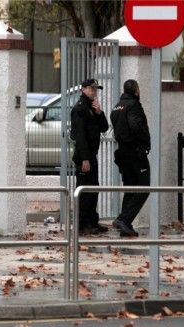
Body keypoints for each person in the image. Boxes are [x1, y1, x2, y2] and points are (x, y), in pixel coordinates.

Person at [110, 79, 150, 237]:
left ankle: (124, 225)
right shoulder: (133, 105)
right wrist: (145, 141)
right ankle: (124, 220)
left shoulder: (117, 106)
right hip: (135, 152)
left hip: (123, 153)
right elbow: (135, 126)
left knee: (130, 187)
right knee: (145, 187)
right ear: (135, 90)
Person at [71, 78, 109, 234]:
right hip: (83, 157)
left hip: (91, 155)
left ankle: (92, 221)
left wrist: (99, 113)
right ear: (83, 89)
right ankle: (82, 224)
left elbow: (104, 127)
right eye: (91, 89)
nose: (94, 92)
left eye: (95, 89)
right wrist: (85, 159)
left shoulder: (92, 107)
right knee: (85, 191)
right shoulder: (80, 108)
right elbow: (80, 136)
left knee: (93, 189)